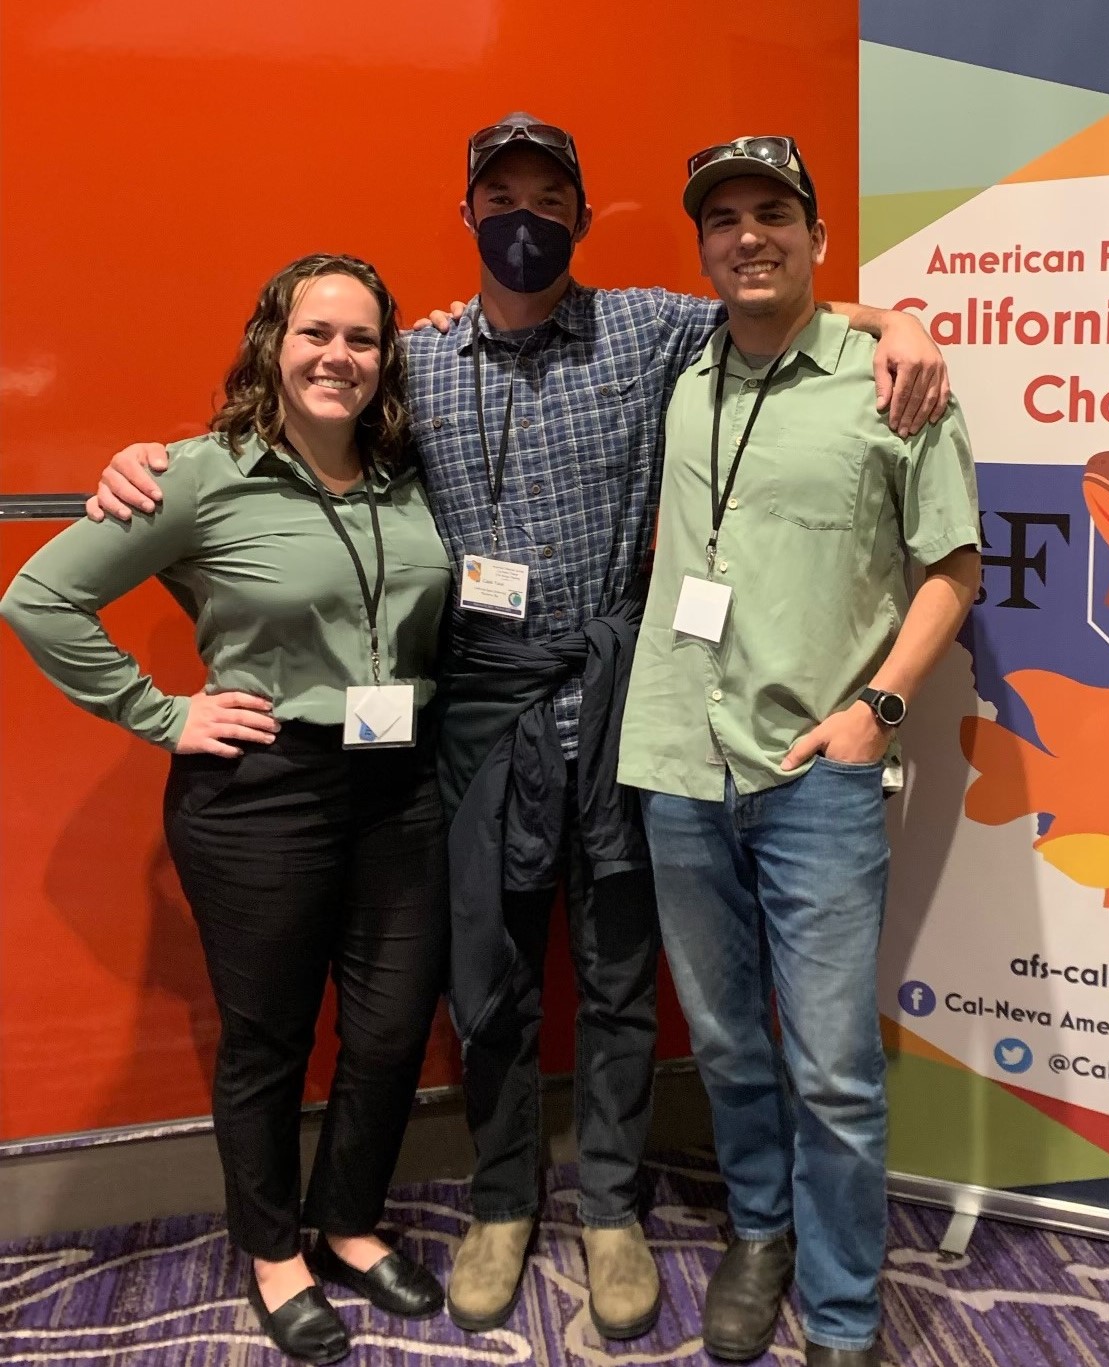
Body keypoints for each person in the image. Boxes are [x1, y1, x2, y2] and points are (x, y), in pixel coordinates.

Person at [84, 112, 953, 1345]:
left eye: (551, 200)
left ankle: (611, 1207)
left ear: (583, 218)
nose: (526, 222)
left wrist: (899, 320)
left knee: (617, 977)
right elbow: (297, 429)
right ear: (468, 216)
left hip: (626, 708)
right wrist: (143, 461)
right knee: (484, 977)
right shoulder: (415, 360)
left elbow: (776, 301)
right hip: (475, 715)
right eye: (503, 200)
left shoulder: (652, 330)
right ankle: (502, 1200)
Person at [2, 255, 453, 1364]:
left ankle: (347, 1221)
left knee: (391, 1026)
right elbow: (39, 597)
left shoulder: (408, 472)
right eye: (315, 333)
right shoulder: (202, 474)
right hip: (263, 792)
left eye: (362, 338)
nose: (338, 356)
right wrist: (162, 714)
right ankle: (273, 1250)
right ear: (271, 344)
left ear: (386, 358)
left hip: (399, 783)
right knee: (268, 1038)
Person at [616, 138, 982, 1367]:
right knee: (724, 1042)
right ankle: (759, 1232)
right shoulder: (682, 369)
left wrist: (877, 708)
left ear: (818, 236)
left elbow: (952, 565)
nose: (747, 236)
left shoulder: (895, 382)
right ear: (702, 248)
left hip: (815, 768)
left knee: (830, 1065)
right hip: (678, 758)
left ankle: (840, 1310)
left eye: (773, 212)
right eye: (722, 218)